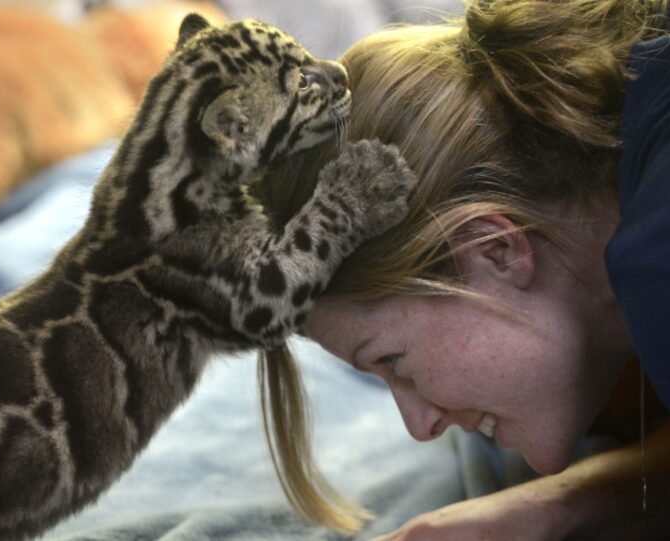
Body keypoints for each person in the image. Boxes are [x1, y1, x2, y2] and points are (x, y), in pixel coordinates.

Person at [254, 0, 670, 538]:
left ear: (494, 247)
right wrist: (557, 511)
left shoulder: (656, 257)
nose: (421, 426)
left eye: (393, 360)